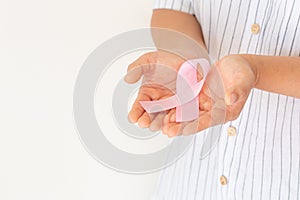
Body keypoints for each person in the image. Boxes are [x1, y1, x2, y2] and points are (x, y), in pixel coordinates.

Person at [124, 0, 300, 199]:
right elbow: (174, 8)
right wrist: (186, 59)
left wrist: (256, 70)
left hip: (282, 178)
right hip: (192, 178)